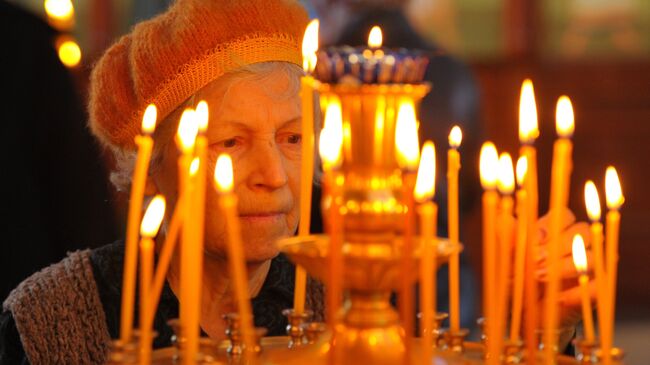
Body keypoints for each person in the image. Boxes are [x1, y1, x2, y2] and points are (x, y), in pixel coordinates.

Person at [0, 0, 587, 363]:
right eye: (229, 142)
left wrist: (538, 334)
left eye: (293, 138)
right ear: (152, 170)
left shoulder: (351, 304)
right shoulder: (57, 319)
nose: (274, 176)